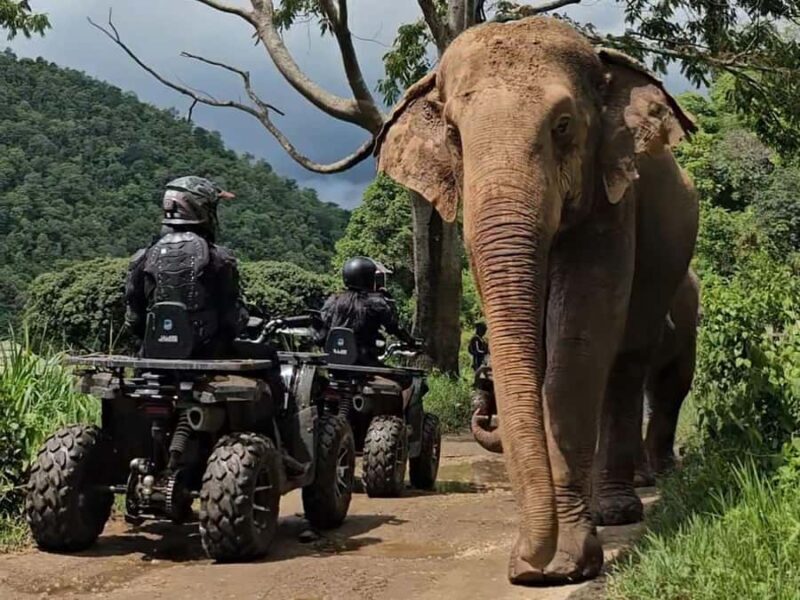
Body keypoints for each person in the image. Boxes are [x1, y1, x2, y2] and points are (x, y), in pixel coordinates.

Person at [124, 176, 248, 359]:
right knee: (269, 356)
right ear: (201, 208)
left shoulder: (144, 256)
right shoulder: (220, 258)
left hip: (152, 354)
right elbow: (231, 316)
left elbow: (133, 317)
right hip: (207, 352)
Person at [319, 256, 417, 367]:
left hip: (333, 361)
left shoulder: (333, 300)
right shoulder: (376, 303)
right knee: (408, 381)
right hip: (365, 361)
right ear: (369, 278)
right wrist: (411, 342)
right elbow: (394, 327)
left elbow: (323, 323)